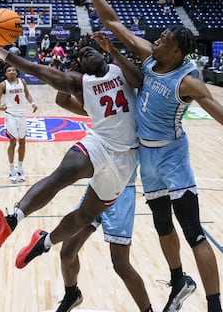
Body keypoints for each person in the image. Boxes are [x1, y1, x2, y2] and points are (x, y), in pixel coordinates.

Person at [90, 0, 223, 312]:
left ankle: (214, 305)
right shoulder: (151, 57)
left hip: (172, 157)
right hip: (148, 159)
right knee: (162, 226)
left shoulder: (189, 81)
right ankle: (179, 279)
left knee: (193, 232)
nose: (156, 40)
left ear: (177, 51)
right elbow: (112, 22)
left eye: (164, 39)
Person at [0, 28, 143, 275]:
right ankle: (11, 220)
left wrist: (113, 50)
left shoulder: (120, 70)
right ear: (80, 67)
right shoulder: (79, 82)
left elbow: (140, 79)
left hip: (125, 160)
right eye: (83, 54)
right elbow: (37, 69)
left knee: (85, 216)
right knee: (64, 174)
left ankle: (43, 243)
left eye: (91, 49)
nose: (88, 52)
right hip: (99, 144)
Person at [54, 90, 153, 312]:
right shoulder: (107, 113)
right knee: (67, 252)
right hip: (98, 187)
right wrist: (71, 74)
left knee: (120, 264)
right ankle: (72, 294)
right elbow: (62, 100)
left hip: (122, 192)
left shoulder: (143, 119)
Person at [0, 65, 38, 183]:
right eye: (9, 70)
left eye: (13, 70)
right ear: (6, 73)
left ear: (16, 72)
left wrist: (33, 103)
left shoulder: (22, 82)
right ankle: (11, 169)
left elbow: (27, 94)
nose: (12, 72)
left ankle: (20, 167)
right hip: (10, 115)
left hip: (22, 115)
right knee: (13, 141)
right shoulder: (3, 85)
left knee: (23, 141)